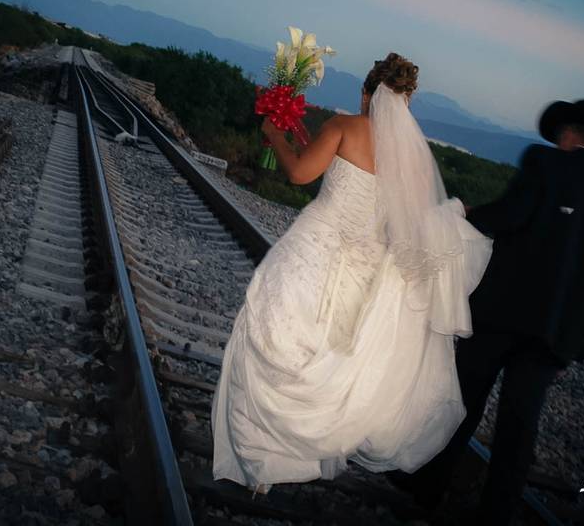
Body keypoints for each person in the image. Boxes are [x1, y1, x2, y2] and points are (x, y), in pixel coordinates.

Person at [211, 54, 493, 492]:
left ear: (366, 93)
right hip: (363, 269)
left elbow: (300, 173)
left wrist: (274, 134)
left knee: (273, 335)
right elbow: (410, 227)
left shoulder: (345, 126)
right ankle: (290, 456)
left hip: (313, 249)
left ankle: (260, 458)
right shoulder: (413, 160)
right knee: (325, 356)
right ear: (405, 104)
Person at [395, 98, 584, 524]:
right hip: (553, 336)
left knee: (462, 401)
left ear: (570, 134)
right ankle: (496, 515)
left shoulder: (544, 163)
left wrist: (466, 215)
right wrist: (570, 343)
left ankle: (426, 486)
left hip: (501, 314)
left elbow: (511, 215)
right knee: (519, 428)